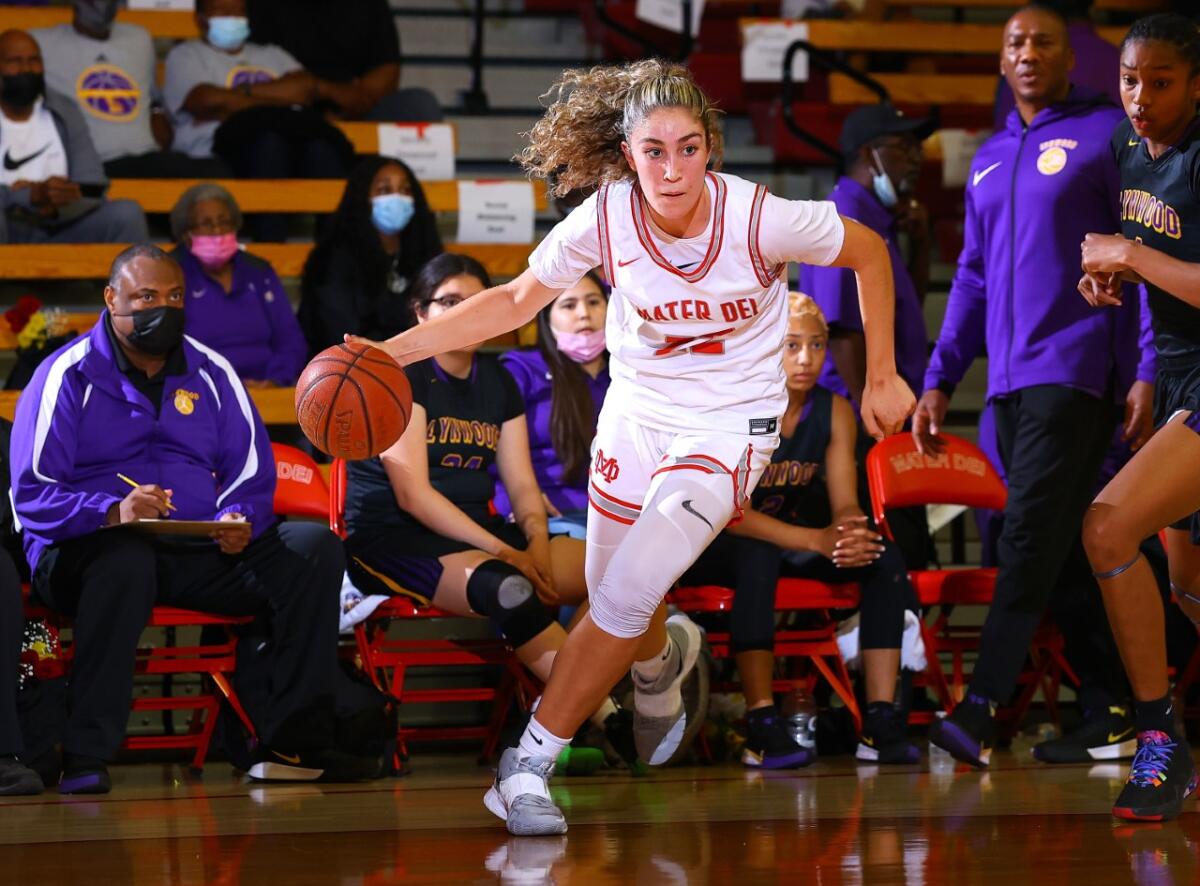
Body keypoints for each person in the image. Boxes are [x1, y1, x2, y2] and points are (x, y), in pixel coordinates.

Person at [349, 59, 912, 836]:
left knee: (625, 592)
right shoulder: (605, 219)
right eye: (654, 150)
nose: (672, 167)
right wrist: (392, 352)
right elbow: (514, 301)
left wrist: (880, 372)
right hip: (637, 416)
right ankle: (656, 667)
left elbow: (870, 252)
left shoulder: (760, 217)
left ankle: (526, 765)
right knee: (621, 604)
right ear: (627, 150)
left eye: (688, 148)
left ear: (711, 147)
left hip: (728, 426)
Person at [9, 244, 375, 793]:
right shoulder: (66, 374)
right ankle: (85, 753)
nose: (163, 307)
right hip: (82, 552)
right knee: (126, 559)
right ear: (111, 300)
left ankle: (292, 741)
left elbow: (252, 468)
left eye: (174, 296)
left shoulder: (211, 370)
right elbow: (31, 494)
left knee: (312, 549)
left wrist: (236, 517)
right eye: (146, 297)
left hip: (196, 547)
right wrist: (111, 511)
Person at [914, 5, 1153, 770]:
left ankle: (980, 709)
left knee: (1024, 538)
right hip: (1007, 384)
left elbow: (1140, 254)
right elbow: (973, 278)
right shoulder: (987, 157)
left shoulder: (1102, 137)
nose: (1027, 52)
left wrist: (1147, 365)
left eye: (1042, 41)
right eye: (1014, 41)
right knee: (1063, 544)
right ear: (1000, 58)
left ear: (1067, 56)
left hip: (1080, 369)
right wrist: (939, 377)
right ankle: (1112, 707)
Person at [343, 253, 637, 767]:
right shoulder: (405, 377)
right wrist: (513, 554)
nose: (463, 313)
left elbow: (523, 485)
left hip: (476, 533)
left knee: (615, 574)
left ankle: (649, 682)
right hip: (395, 537)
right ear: (420, 313)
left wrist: (539, 546)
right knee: (512, 588)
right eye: (449, 303)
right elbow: (414, 497)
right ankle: (606, 716)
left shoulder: (498, 382)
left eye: (475, 303)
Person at [681, 294, 919, 769]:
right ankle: (762, 723)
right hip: (712, 540)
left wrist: (851, 531)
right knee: (758, 554)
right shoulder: (734, 405)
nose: (806, 359)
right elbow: (732, 513)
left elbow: (845, 501)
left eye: (816, 345)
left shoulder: (832, 410)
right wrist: (816, 539)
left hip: (790, 535)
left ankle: (878, 720)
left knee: (882, 554)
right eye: (791, 346)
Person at [1075, 13, 1200, 822]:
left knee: (1108, 529)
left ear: (1196, 84)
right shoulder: (1127, 154)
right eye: (1129, 80)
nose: (1141, 97)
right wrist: (1115, 283)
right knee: (1187, 586)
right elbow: (1159, 270)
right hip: (1184, 381)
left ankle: (1159, 738)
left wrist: (1129, 256)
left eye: (1160, 82)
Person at [164, 0, 352, 239]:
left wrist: (238, 97)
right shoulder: (186, 55)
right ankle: (270, 245)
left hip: (290, 146)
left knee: (321, 149)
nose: (232, 16)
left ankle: (333, 251)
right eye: (222, 10)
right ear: (200, 18)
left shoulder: (272, 54)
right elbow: (206, 99)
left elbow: (305, 89)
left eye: (238, 10)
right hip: (221, 151)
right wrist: (281, 100)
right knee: (269, 143)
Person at [800, 105, 932, 410]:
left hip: (890, 406)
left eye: (917, 148)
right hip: (855, 411)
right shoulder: (844, 217)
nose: (916, 159)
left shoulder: (879, 219)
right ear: (867, 154)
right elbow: (842, 331)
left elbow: (903, 313)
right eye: (904, 147)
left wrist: (922, 244)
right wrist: (868, 414)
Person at [32, 0, 229, 179]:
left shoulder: (138, 38)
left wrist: (158, 114)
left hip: (145, 155)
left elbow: (153, 99)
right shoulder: (42, 42)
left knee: (218, 170)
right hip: (94, 162)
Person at [0, 29, 147, 245]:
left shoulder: (63, 109)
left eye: (34, 60)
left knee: (127, 214)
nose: (26, 69)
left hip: (60, 223)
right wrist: (29, 196)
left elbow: (93, 184)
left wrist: (57, 204)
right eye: (15, 61)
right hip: (8, 228)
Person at [493, 272, 611, 538]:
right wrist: (524, 503)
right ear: (546, 318)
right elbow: (492, 454)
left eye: (594, 302)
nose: (583, 313)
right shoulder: (521, 369)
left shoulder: (629, 371)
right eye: (569, 305)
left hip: (619, 514)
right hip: (545, 513)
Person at [299, 155, 442, 355]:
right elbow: (339, 333)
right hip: (353, 368)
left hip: (418, 368)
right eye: (384, 190)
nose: (397, 198)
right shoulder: (333, 261)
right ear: (363, 197)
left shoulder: (426, 256)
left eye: (405, 190)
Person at [168, 182, 306, 387]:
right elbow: (167, 351)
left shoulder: (259, 272)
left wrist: (275, 380)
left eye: (224, 222)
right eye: (206, 223)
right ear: (186, 234)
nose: (217, 230)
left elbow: (291, 340)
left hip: (266, 388)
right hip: (202, 392)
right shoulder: (171, 274)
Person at [247, 0, 442, 122]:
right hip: (283, 110)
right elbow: (242, 71)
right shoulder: (261, 5)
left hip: (353, 108)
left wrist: (347, 100)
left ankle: (417, 188)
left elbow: (386, 70)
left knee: (419, 104)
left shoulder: (367, 4)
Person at [993, 0, 1121, 130]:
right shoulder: (1115, 59)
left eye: (1044, 43)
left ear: (1069, 59)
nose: (1029, 56)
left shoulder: (1016, 67)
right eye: (1017, 44)